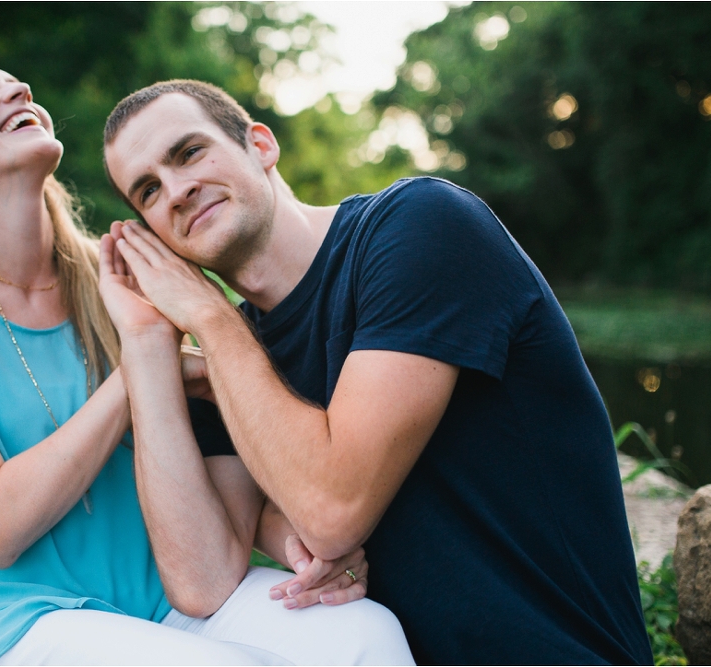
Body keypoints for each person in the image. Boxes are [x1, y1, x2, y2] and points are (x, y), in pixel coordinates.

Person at [0, 51, 412, 665]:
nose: (17, 90)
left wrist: (291, 537)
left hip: (165, 604)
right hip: (5, 623)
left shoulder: (124, 274)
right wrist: (144, 368)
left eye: (15, 81)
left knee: (362, 634)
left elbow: (224, 455)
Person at [100, 79, 656, 665]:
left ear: (260, 145)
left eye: (188, 153)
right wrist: (145, 342)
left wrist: (209, 320)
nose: (177, 191)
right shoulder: (230, 364)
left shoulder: (420, 226)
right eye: (148, 192)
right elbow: (202, 581)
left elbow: (331, 511)